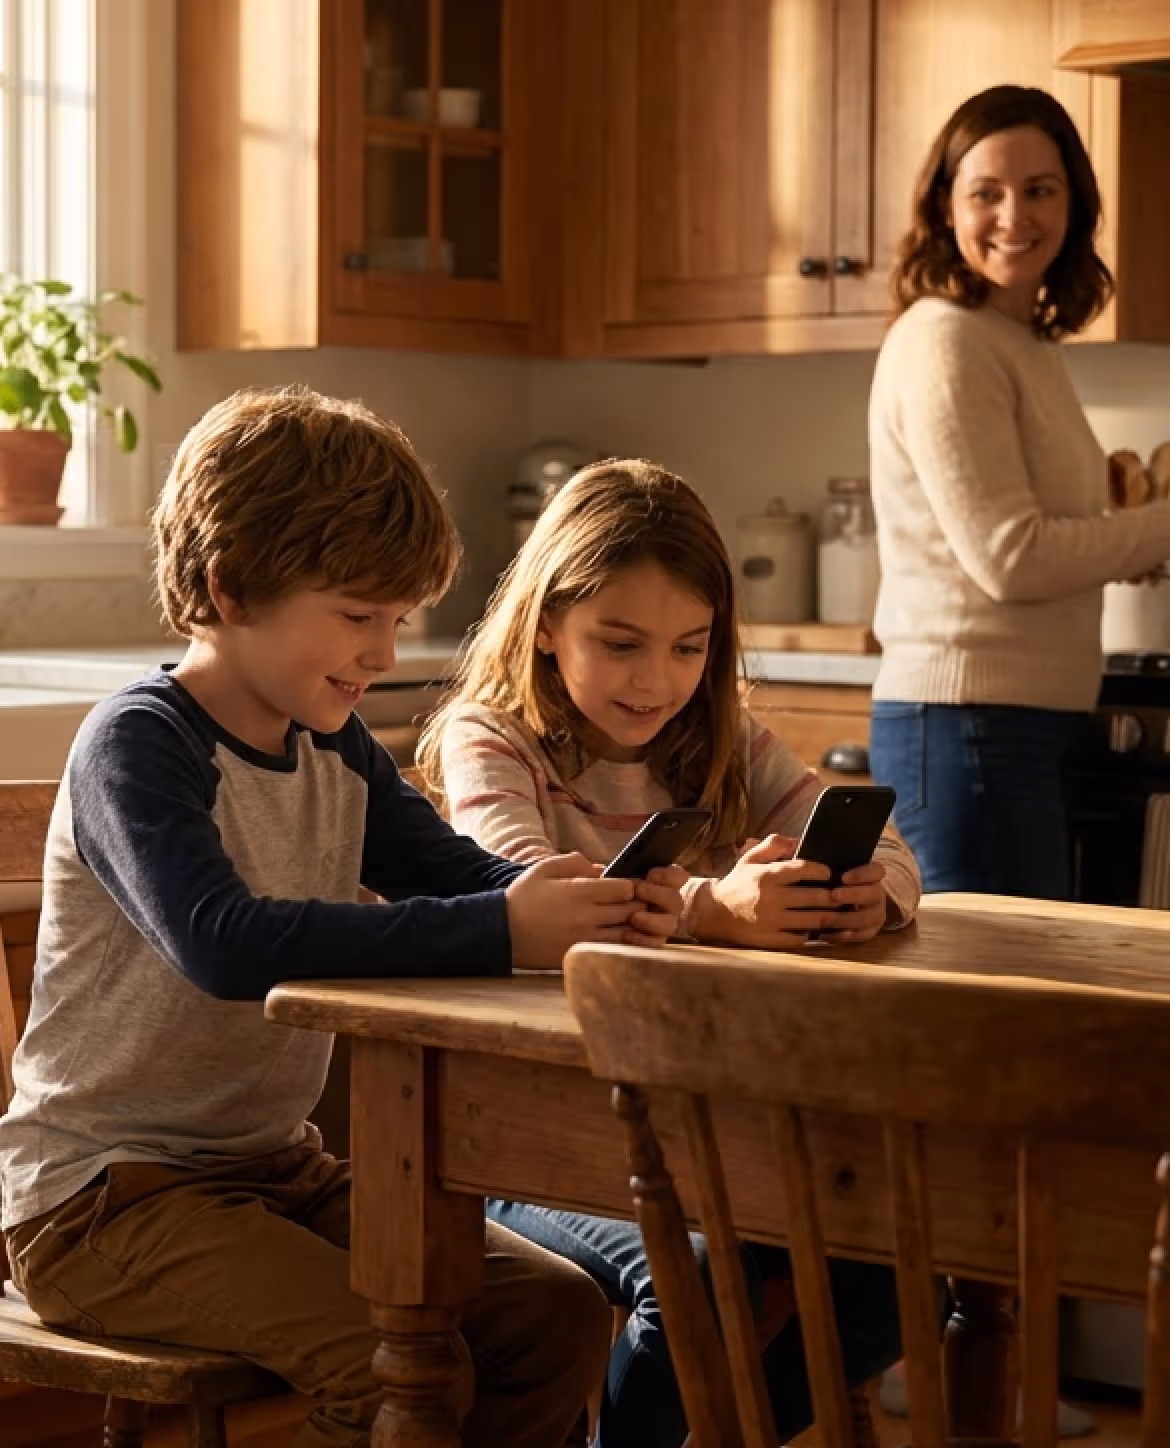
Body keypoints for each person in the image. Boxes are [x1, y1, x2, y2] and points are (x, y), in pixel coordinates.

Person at [0, 387, 693, 1448]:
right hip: (104, 1199)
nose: (381, 651)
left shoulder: (332, 740)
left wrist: (581, 901)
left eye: (398, 620)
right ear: (233, 587)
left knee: (549, 1314)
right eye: (358, 615)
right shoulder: (138, 743)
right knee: (385, 1371)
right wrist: (508, 928)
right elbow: (224, 942)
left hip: (276, 1171)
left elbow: (450, 875)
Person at [417, 458, 921, 1448]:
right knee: (695, 1265)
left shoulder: (719, 739)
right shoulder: (493, 738)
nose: (658, 680)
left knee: (904, 1271)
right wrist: (709, 909)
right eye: (621, 642)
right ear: (546, 623)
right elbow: (520, 890)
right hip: (520, 1126)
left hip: (697, 1116)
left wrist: (872, 890)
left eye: (690, 646)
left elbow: (892, 848)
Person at [868, 83, 1170, 900]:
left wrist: (1120, 541)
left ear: (1074, 203)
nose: (1015, 216)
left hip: (1010, 722)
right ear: (944, 206)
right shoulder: (946, 341)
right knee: (995, 1010)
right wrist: (1157, 531)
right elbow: (1011, 560)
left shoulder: (1020, 340)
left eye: (1040, 190)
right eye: (986, 193)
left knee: (1024, 1004)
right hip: (967, 723)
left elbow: (1030, 537)